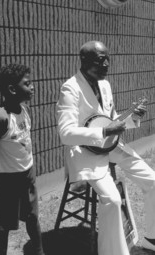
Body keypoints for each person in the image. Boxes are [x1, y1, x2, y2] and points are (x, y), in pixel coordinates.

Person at [56, 40, 155, 255]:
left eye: (108, 59)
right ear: (84, 60)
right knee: (112, 200)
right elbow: (66, 134)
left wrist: (131, 118)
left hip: (111, 145)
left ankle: (151, 238)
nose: (107, 64)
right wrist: (104, 132)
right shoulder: (70, 88)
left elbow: (109, 120)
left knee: (153, 180)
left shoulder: (105, 85)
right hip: (86, 151)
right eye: (102, 60)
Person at [0, 64, 45, 255]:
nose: (32, 86)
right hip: (7, 180)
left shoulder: (25, 110)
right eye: (27, 84)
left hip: (28, 175)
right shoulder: (0, 118)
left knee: (32, 218)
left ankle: (39, 251)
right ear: (12, 89)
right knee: (4, 225)